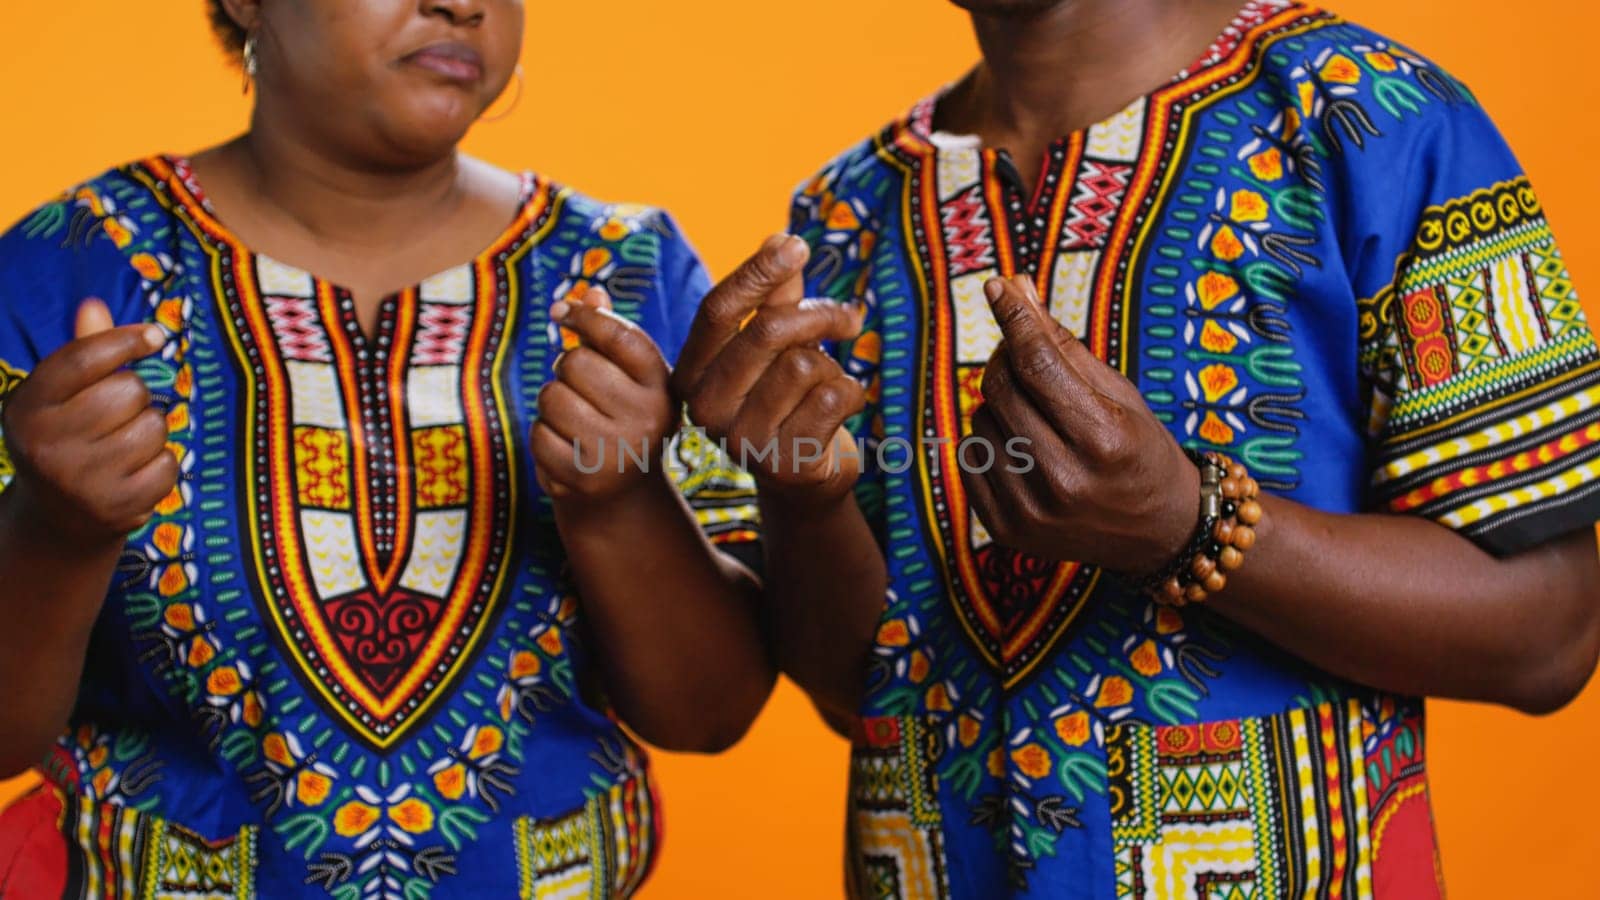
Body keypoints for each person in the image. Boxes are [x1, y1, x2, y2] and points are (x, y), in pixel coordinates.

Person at [672, 0, 1600, 896]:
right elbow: (860, 695)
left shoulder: (1376, 118)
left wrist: (1190, 524)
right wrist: (805, 502)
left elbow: (1551, 632)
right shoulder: (844, 212)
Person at [0, 1, 773, 896]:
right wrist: (54, 532)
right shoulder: (66, 267)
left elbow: (711, 714)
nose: (463, 4)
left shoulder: (626, 273)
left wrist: (620, 501)